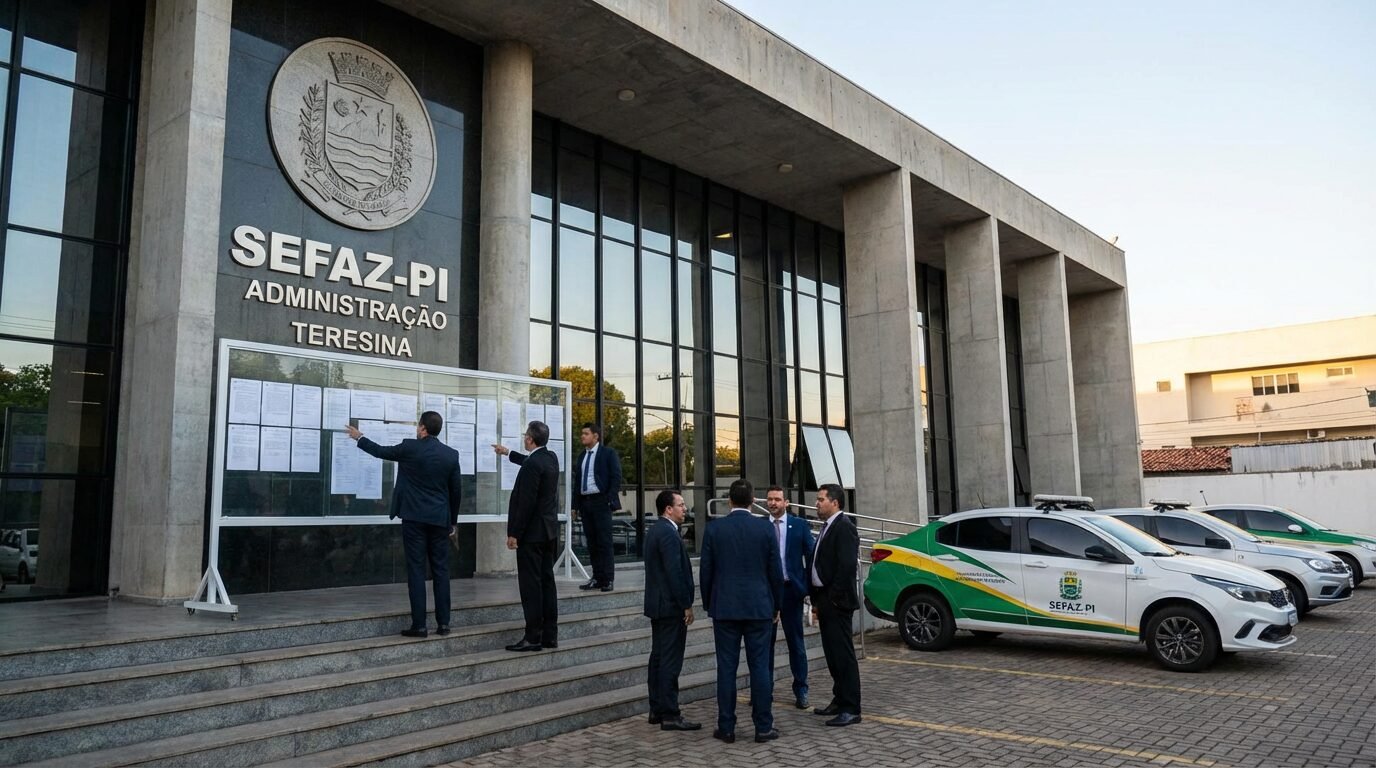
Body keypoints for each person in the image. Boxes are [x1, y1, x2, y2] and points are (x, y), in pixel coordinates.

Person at [346, 411, 462, 638]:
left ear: (423, 429)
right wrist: (453, 523)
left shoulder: (410, 448)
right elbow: (455, 492)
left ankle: (419, 625)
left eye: (418, 426)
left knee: (417, 571)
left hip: (415, 519)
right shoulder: (451, 455)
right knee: (441, 571)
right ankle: (444, 624)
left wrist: (359, 437)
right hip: (440, 520)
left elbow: (381, 451)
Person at [700, 479, 783, 744]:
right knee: (759, 667)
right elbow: (775, 572)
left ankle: (726, 727)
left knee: (726, 668)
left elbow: (706, 572)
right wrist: (776, 605)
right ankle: (763, 726)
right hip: (759, 607)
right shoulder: (765, 529)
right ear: (753, 501)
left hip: (724, 607)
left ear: (729, 501)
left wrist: (707, 602)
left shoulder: (714, 529)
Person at [492, 421, 560, 651]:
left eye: (525, 436)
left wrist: (514, 533)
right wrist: (508, 453)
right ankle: (550, 635)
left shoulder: (534, 464)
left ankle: (532, 637)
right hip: (548, 532)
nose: (524, 438)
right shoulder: (550, 458)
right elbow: (531, 462)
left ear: (530, 440)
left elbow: (526, 504)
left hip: (532, 535)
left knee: (531, 587)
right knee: (547, 584)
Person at [643, 489, 700, 732]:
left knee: (658, 657)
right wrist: (686, 604)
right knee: (668, 660)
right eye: (681, 504)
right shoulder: (666, 533)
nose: (684, 509)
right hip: (669, 607)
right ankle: (669, 713)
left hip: (659, 605)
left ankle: (657, 708)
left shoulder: (657, 530)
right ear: (668, 509)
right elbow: (674, 573)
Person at [809, 483, 862, 726]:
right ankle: (839, 699)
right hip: (825, 600)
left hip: (837, 603)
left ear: (835, 503)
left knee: (843, 655)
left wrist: (832, 598)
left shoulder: (844, 528)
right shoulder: (827, 527)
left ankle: (851, 707)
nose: (817, 503)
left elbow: (846, 566)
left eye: (821, 499)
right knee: (832, 655)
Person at [765, 485, 815, 710]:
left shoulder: (799, 526)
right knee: (765, 645)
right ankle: (765, 690)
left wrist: (806, 585)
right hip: (767, 595)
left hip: (791, 592)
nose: (773, 503)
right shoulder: (760, 526)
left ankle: (801, 689)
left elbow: (811, 555)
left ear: (786, 502)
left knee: (796, 644)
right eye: (770, 499)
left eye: (777, 499)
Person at [573, 423, 623, 592]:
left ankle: (608, 579)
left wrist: (609, 499)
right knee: (592, 543)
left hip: (601, 502)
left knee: (604, 542)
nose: (582, 436)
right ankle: (597, 577)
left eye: (586, 433)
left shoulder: (608, 453)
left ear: (596, 436)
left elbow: (616, 477)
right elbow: (577, 483)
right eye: (582, 433)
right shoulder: (581, 456)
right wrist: (575, 506)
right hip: (586, 503)